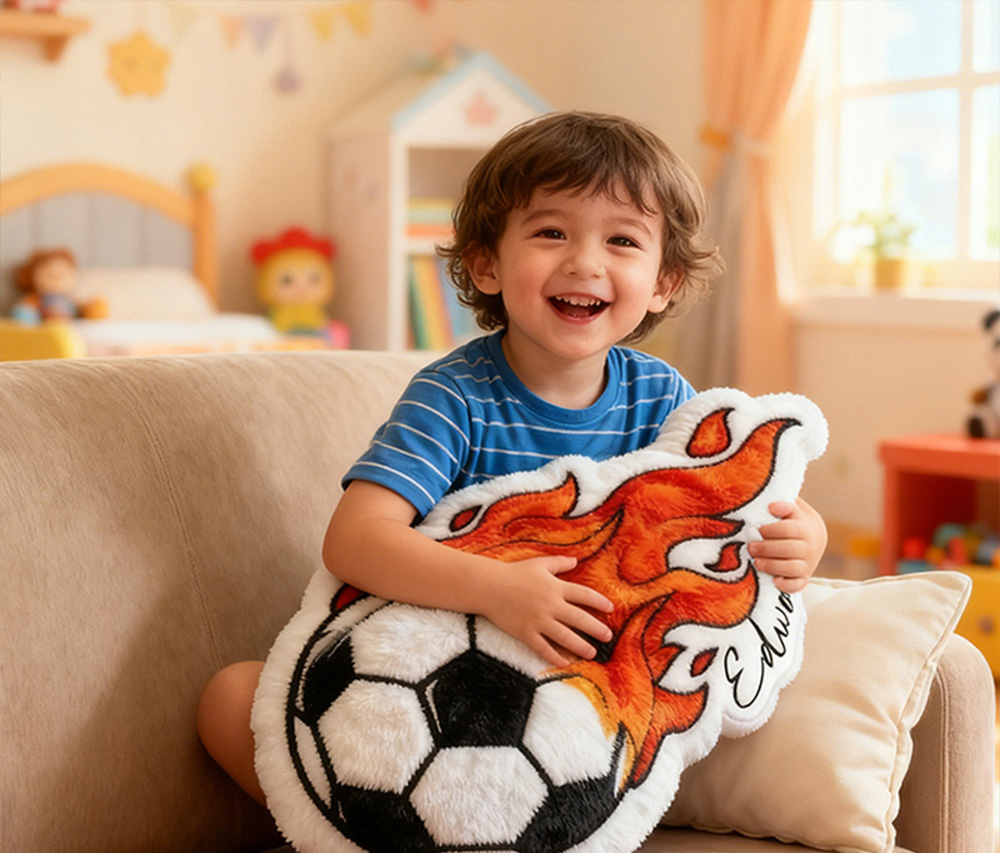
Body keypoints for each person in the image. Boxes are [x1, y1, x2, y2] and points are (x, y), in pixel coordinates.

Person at [198, 111, 828, 804]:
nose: (585, 262)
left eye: (622, 240)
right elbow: (355, 540)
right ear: (486, 265)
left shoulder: (664, 398)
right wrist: (499, 591)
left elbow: (743, 510)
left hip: (591, 695)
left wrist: (804, 535)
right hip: (445, 674)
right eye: (551, 232)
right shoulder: (453, 398)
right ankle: (355, 838)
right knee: (231, 698)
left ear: (663, 282)